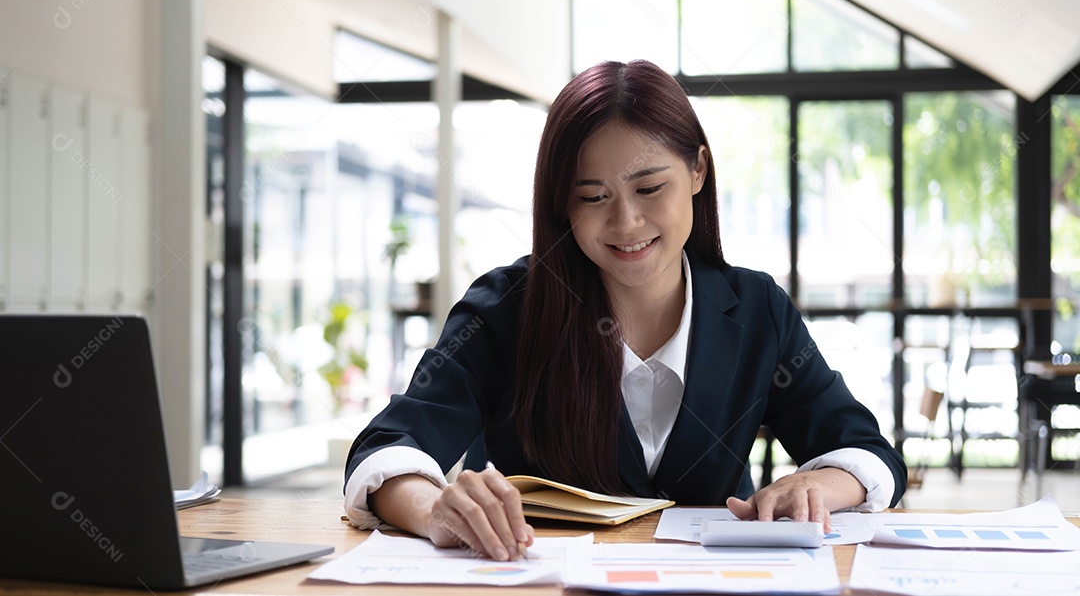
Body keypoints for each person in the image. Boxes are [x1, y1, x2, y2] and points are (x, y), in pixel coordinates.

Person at [343, 59, 906, 561]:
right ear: (562, 204)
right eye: (593, 196)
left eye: (650, 187)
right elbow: (389, 451)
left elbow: (863, 451)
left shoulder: (756, 310)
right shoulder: (505, 310)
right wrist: (434, 507)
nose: (626, 222)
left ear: (697, 172)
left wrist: (820, 487)